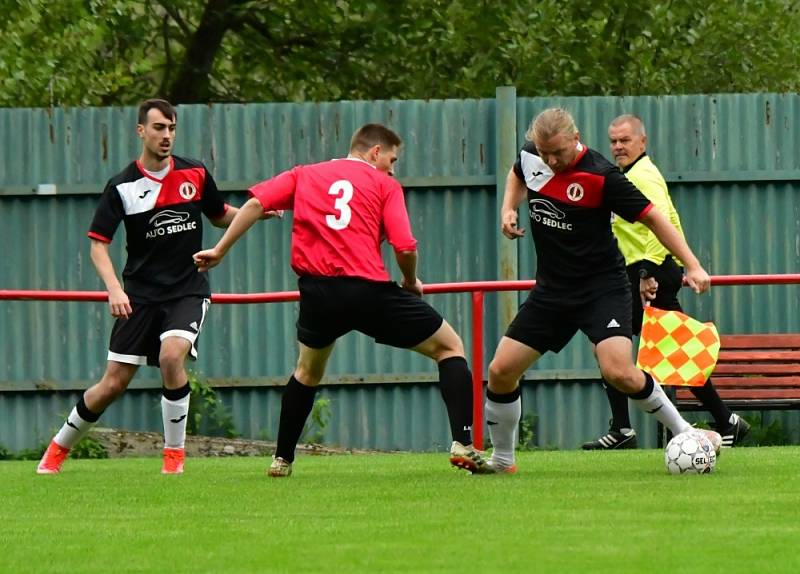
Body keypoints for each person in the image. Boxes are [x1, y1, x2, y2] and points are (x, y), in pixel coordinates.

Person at [192, 123, 490, 477]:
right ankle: (463, 443)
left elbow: (256, 203)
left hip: (318, 293)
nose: (393, 168)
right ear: (375, 152)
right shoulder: (384, 185)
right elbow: (406, 246)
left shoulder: (305, 174)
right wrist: (410, 282)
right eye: (392, 159)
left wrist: (220, 250)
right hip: (368, 291)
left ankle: (282, 459)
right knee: (451, 348)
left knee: (306, 371)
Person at [484, 107, 721, 473]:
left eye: (558, 153)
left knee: (619, 372)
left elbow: (655, 217)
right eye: (544, 153)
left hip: (601, 288)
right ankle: (502, 461)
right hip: (552, 292)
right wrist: (508, 209)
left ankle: (689, 434)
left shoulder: (601, 176)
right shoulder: (534, 154)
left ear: (575, 138)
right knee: (500, 370)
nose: (550, 160)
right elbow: (518, 172)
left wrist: (692, 264)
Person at [36, 98, 248, 475]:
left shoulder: (195, 173)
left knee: (170, 357)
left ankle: (173, 461)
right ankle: (55, 451)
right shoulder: (122, 186)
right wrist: (115, 290)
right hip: (140, 297)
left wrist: (257, 210)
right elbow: (98, 245)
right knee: (112, 384)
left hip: (187, 290)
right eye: (158, 128)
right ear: (141, 131)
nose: (166, 136)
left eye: (171, 128)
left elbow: (220, 217)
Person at [581, 114, 750, 450]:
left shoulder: (644, 175)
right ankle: (723, 421)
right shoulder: (629, 174)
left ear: (643, 142)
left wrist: (647, 273)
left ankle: (720, 421)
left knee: (641, 346)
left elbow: (662, 224)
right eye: (613, 141)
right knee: (624, 345)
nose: (618, 146)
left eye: (625, 140)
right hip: (641, 272)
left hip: (649, 273)